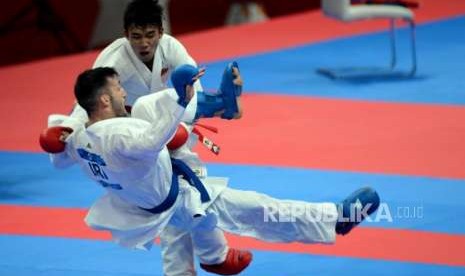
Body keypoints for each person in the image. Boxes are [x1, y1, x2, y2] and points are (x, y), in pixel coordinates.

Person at [40, 64, 381, 275]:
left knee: (177, 253)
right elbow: (150, 140)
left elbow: (60, 151)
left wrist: (57, 134)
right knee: (258, 208)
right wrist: (179, 99)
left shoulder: (80, 139)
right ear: (103, 101)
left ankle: (216, 102)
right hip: (175, 196)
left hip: (146, 203)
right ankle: (334, 218)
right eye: (116, 89)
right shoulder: (121, 135)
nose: (121, 91)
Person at [70, 0, 242, 124]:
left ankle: (223, 103)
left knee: (186, 85)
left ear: (161, 32)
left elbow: (193, 90)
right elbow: (88, 98)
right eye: (136, 36)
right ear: (126, 34)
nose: (144, 43)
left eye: (150, 35)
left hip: (159, 112)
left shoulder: (171, 47)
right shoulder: (114, 60)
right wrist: (70, 128)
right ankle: (223, 104)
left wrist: (202, 107)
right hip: (125, 120)